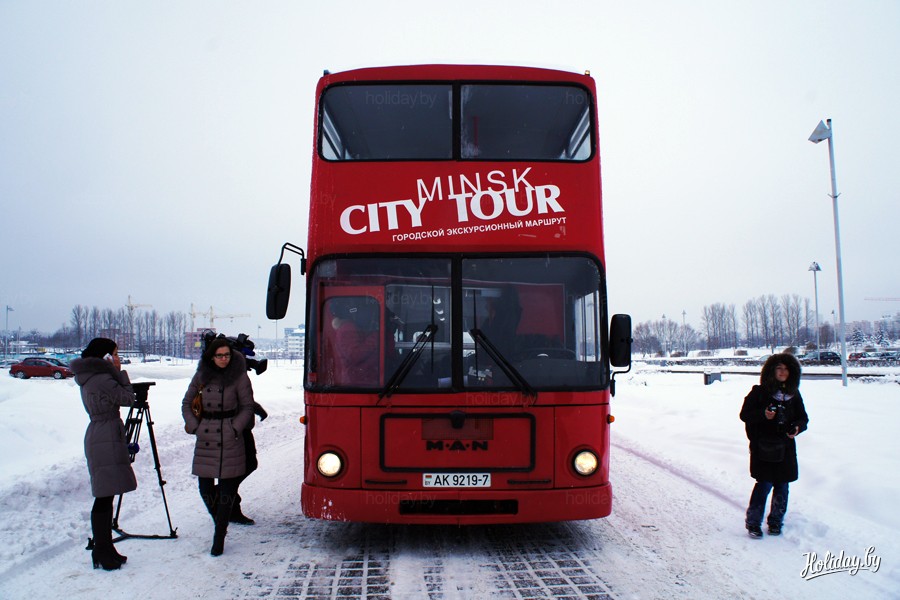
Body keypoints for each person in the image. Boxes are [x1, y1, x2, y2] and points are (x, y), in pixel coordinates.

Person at [182, 338, 254, 556]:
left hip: (230, 437)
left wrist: (235, 428)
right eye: (219, 355)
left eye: (227, 355)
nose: (224, 359)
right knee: (205, 489)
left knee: (226, 491)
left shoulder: (239, 376)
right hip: (206, 435)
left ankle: (219, 536)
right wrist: (194, 426)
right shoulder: (201, 375)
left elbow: (247, 406)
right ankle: (219, 522)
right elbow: (187, 403)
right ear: (211, 357)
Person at [70, 338, 136, 571]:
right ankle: (102, 550)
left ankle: (106, 548)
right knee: (104, 496)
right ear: (106, 356)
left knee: (106, 495)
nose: (118, 358)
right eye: (115, 354)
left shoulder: (90, 376)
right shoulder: (103, 378)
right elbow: (129, 398)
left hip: (101, 433)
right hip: (105, 434)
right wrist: (121, 373)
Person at [740, 353, 809, 538]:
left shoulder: (793, 396)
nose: (783, 372)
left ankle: (776, 521)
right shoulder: (759, 392)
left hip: (785, 448)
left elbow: (803, 418)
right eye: (779, 368)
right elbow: (745, 415)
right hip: (764, 447)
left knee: (782, 486)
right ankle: (753, 522)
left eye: (786, 368)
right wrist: (764, 414)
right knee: (764, 484)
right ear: (771, 370)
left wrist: (797, 428)